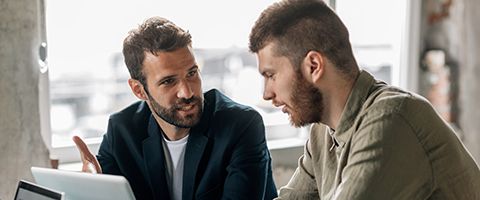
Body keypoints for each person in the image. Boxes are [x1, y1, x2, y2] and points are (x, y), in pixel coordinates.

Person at [248, 0, 480, 199]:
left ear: (314, 66)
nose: (266, 94)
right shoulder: (322, 132)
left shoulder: (391, 119)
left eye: (271, 75)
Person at [73, 16, 277, 200]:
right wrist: (91, 189)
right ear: (139, 90)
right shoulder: (122, 130)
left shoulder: (241, 125)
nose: (187, 92)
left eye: (192, 73)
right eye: (169, 81)